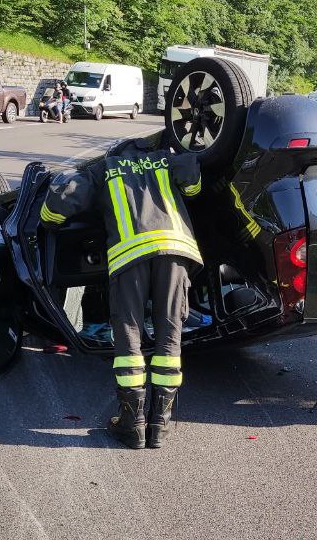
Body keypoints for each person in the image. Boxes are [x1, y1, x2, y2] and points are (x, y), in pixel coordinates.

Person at [40, 132, 202, 449]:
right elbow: (193, 184)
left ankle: (132, 424)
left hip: (130, 257)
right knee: (170, 335)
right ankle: (159, 425)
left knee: (129, 334)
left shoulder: (103, 168)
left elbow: (58, 207)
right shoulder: (164, 159)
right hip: (176, 251)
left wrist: (47, 220)